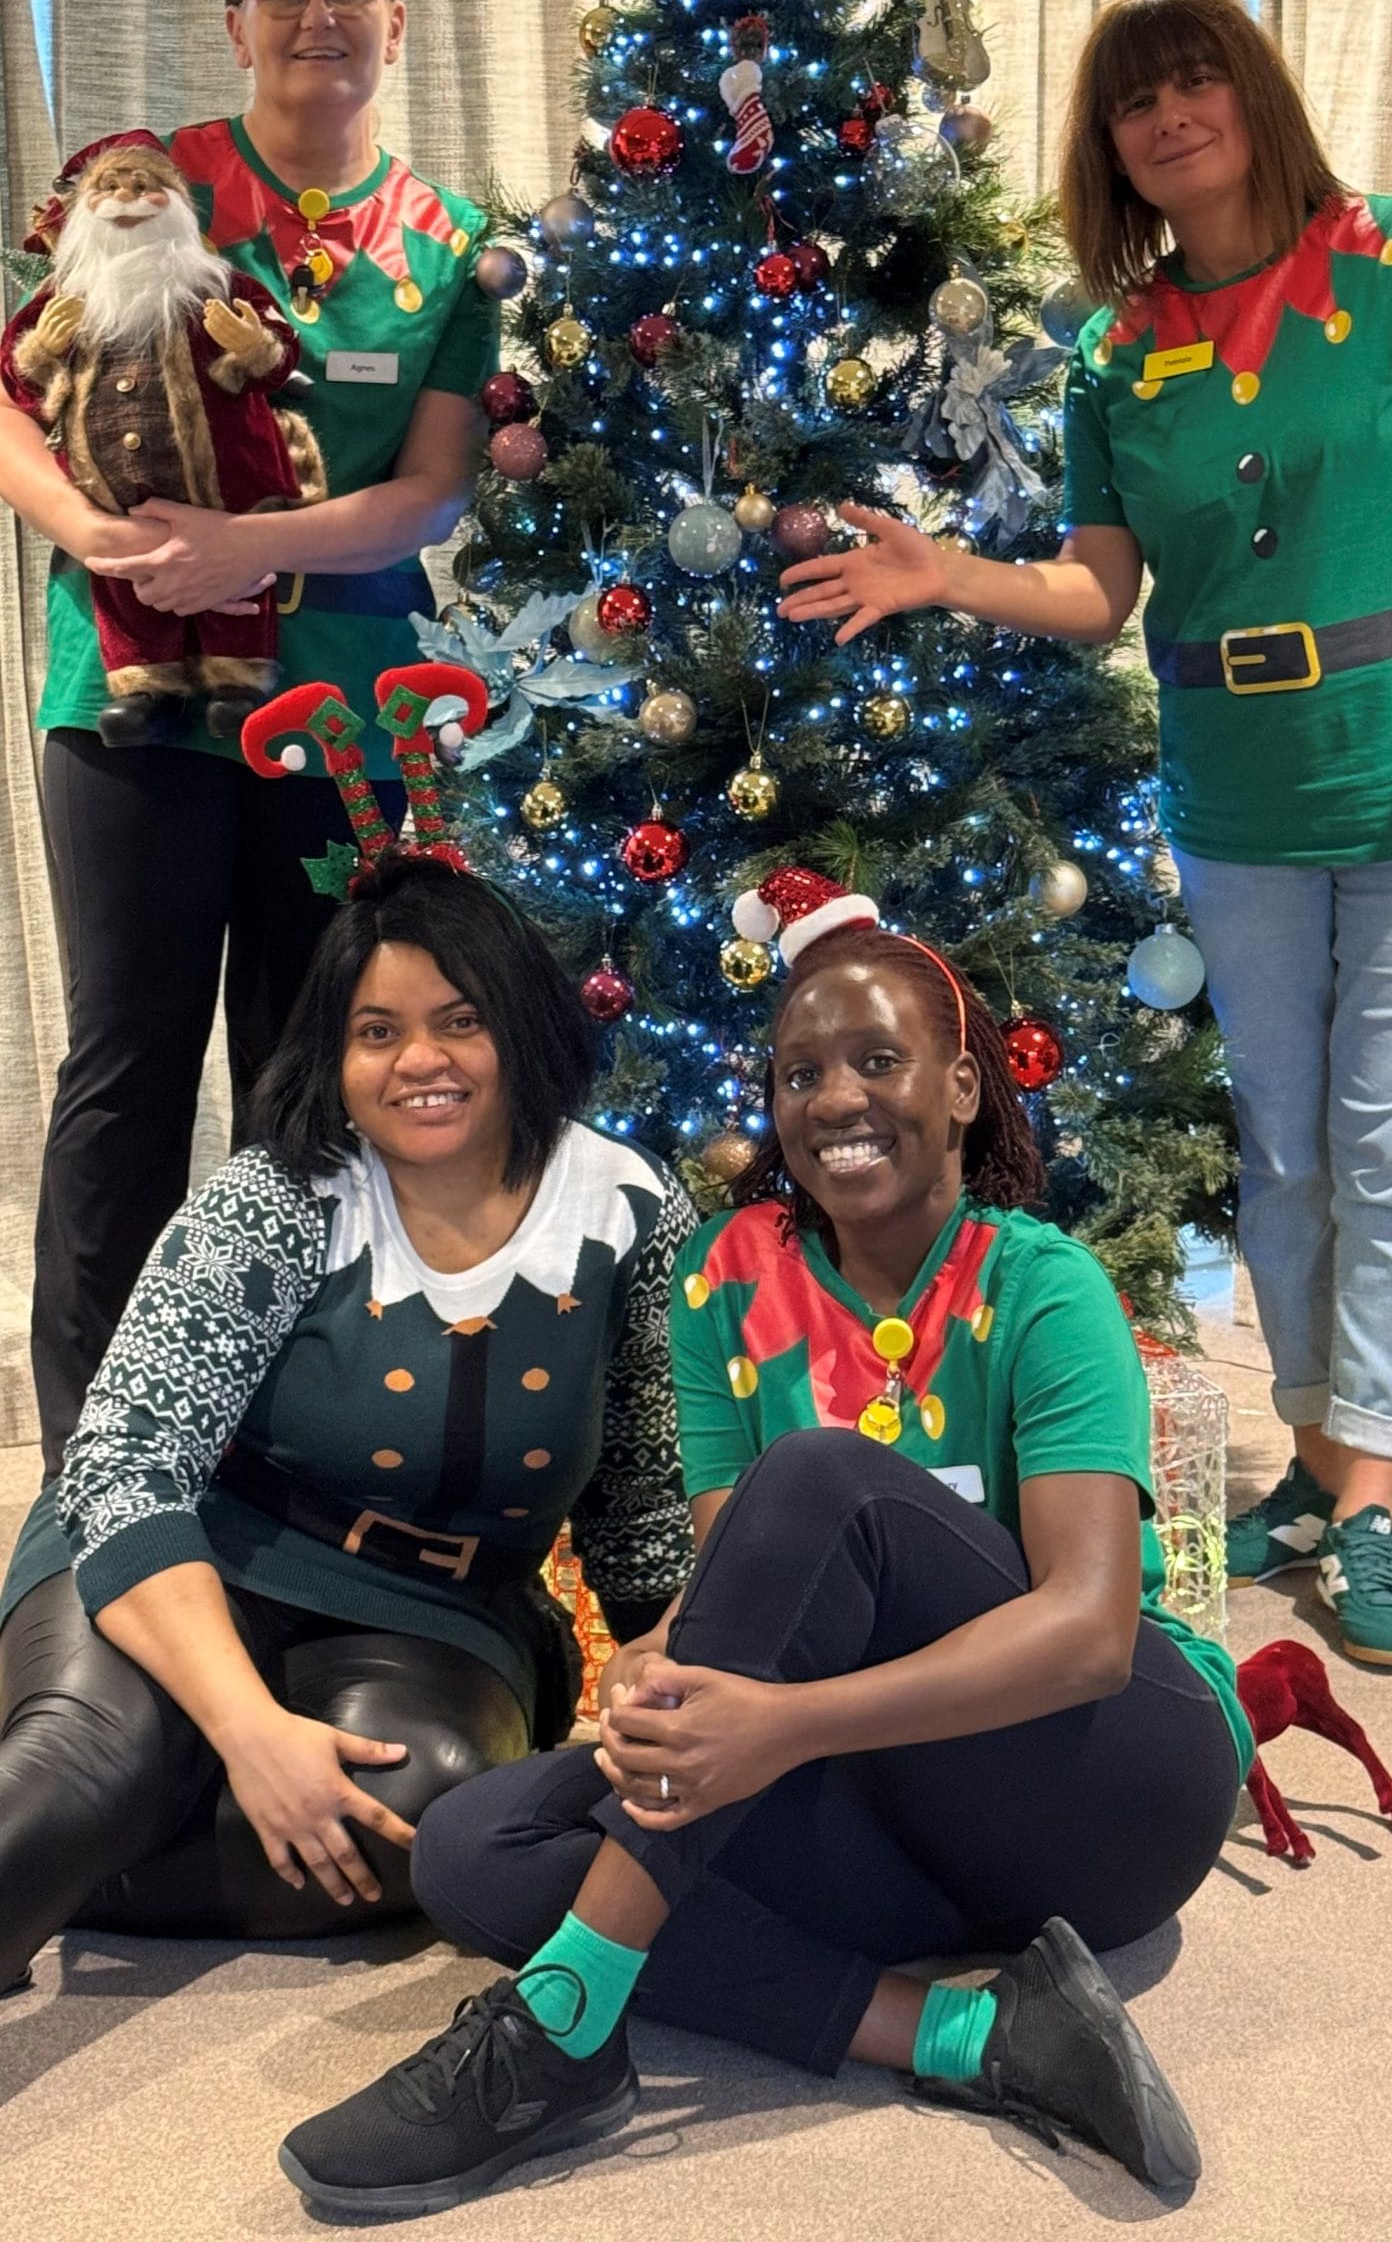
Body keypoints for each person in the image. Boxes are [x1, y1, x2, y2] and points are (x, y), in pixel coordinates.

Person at [280, 875, 1248, 2217]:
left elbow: (1088, 1633)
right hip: (898, 1813)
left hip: (1110, 1788)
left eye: (878, 1062)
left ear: (964, 1088)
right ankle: (980, 2034)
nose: (836, 1098)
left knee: (823, 1477)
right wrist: (661, 1671)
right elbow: (743, 1596)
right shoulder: (728, 1284)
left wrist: (782, 1728)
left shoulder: (1043, 1285)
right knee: (475, 1849)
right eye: (801, 1074)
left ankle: (559, 2028)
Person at [777, 0, 1392, 1674]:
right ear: (1111, 147)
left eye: (1196, 80)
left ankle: (1372, 1496)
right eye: (1135, 101)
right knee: (1282, 1147)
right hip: (1239, 789)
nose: (1169, 116)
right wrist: (945, 572)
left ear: (1254, 93)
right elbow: (1096, 590)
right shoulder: (1117, 354)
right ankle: (1315, 1452)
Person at [0, 0, 498, 1475]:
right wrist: (88, 535)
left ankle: (281, 1437)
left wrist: (254, 546)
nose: (316, 16)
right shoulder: (146, 187)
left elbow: (431, 492)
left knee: (312, 1075)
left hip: (347, 715)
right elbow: (15, 396)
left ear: (397, 19)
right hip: (132, 701)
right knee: (128, 1069)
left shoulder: (453, 242)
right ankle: (95, 1463)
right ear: (234, 22)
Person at [0, 851, 695, 2001]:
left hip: (443, 1610)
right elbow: (124, 1463)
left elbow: (640, 1496)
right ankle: (83, 1818)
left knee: (419, 1812)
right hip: (194, 1549)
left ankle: (77, 1861)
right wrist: (249, 1730)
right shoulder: (276, 1196)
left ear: (521, 1024)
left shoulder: (631, 1206)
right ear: (335, 1052)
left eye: (460, 1020)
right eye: (377, 1031)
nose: (419, 1060)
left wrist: (662, 1652)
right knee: (89, 1766)